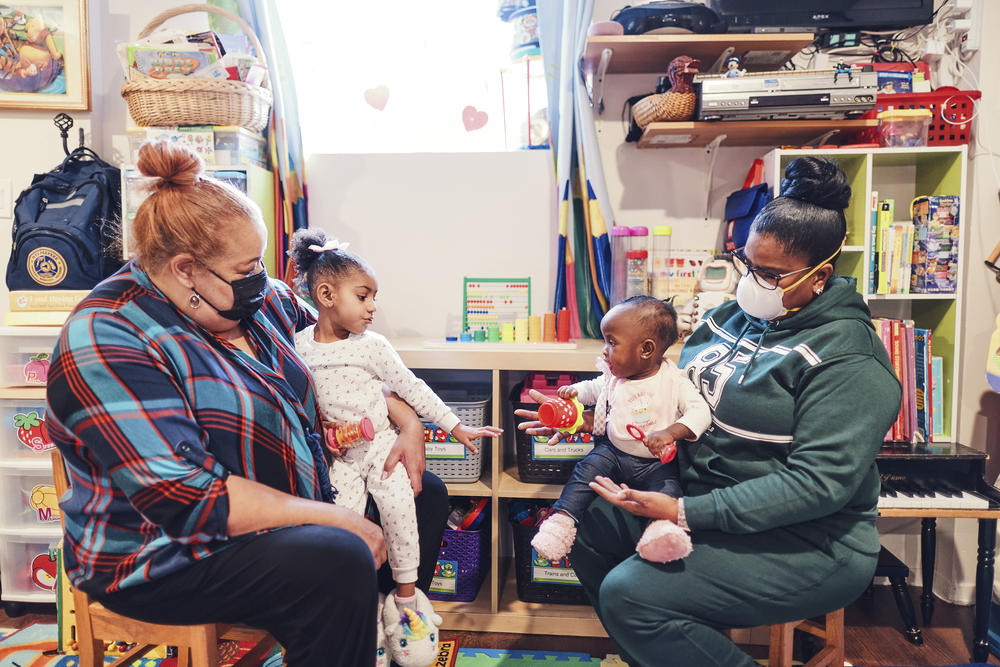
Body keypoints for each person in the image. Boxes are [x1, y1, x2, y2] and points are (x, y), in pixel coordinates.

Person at [46, 140, 449, 667]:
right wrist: (334, 519)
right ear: (186, 270)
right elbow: (189, 499)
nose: (263, 278)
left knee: (425, 493)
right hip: (162, 552)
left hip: (284, 507)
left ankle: (374, 628)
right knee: (337, 561)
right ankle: (343, 631)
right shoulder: (108, 336)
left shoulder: (259, 303)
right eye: (247, 266)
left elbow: (345, 357)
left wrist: (407, 420)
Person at [518, 156, 901, 666]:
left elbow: (817, 486)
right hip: (698, 501)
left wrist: (682, 511)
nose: (751, 283)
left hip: (809, 542)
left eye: (769, 274)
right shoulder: (730, 316)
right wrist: (599, 413)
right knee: (587, 529)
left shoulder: (850, 361)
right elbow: (668, 391)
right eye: (747, 265)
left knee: (631, 596)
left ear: (819, 276)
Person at [287, 228, 502, 667]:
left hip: (382, 447)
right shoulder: (298, 346)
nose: (373, 307)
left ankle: (407, 606)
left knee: (401, 512)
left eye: (373, 297)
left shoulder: (375, 346)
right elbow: (296, 402)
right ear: (326, 294)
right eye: (363, 296)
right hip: (338, 459)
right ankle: (363, 614)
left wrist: (455, 425)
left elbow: (411, 388)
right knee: (344, 533)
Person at [529, 296, 711, 564]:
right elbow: (593, 388)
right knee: (584, 471)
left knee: (668, 488)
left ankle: (661, 532)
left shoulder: (674, 382)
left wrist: (670, 433)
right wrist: (574, 392)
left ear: (646, 349)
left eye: (612, 342)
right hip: (614, 452)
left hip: (655, 463)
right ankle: (562, 522)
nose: (604, 350)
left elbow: (700, 412)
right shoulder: (614, 378)